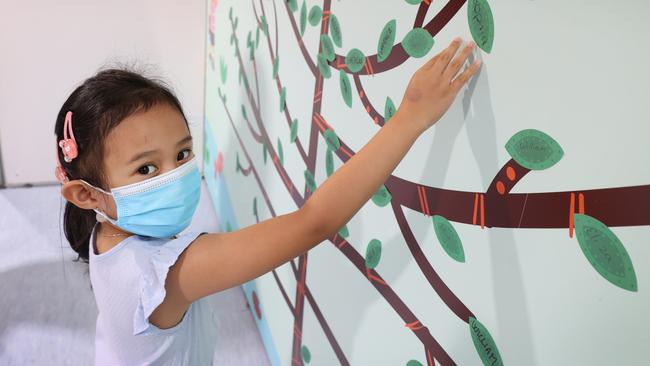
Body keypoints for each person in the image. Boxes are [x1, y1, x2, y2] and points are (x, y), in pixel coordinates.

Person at [54, 38, 480, 365]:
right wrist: (410, 117)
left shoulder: (104, 231)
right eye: (147, 169)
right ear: (86, 193)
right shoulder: (170, 272)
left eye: (183, 154)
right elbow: (313, 222)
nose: (178, 176)